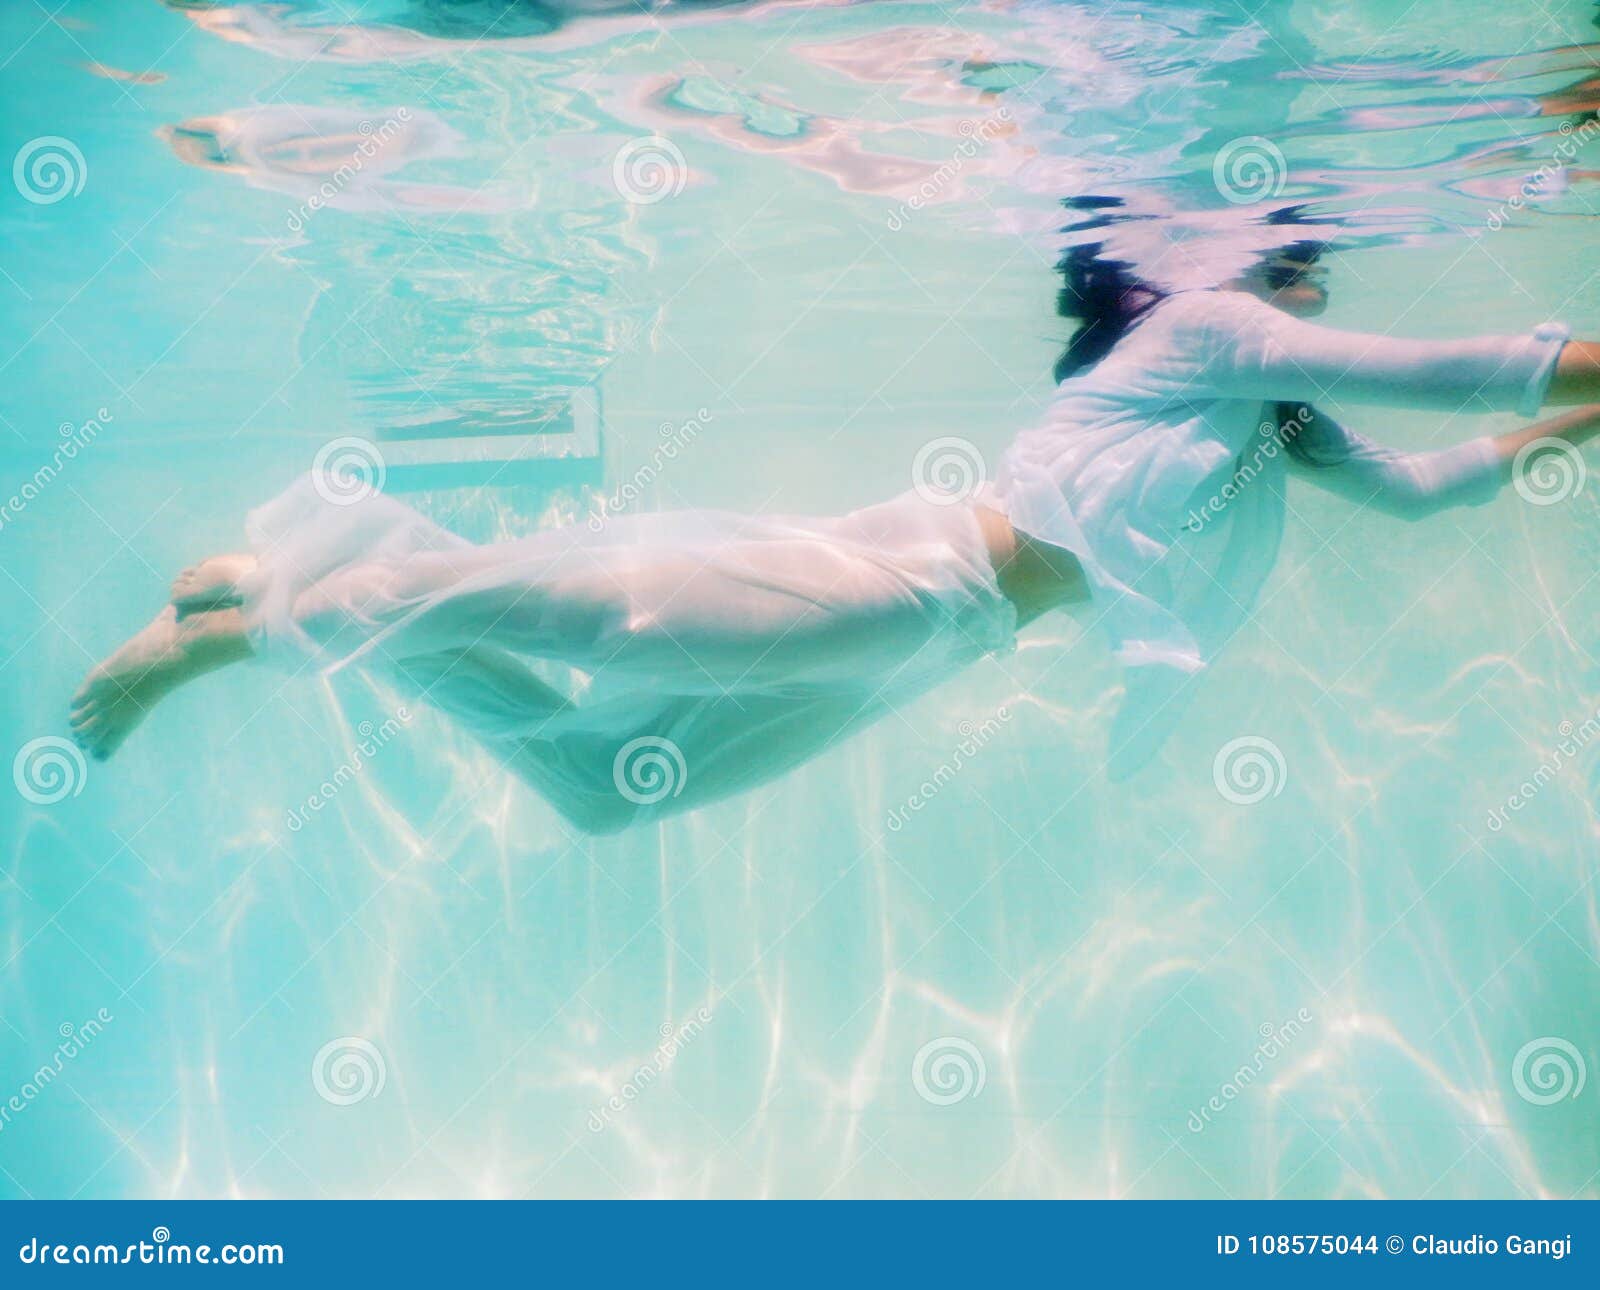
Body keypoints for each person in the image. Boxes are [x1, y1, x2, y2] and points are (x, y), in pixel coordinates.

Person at [69, 237, 1600, 831]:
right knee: (599, 624)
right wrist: (1563, 380)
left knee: (607, 785)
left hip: (954, 636)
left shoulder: (1275, 423)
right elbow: (1467, 364)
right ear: (1230, 263)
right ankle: (237, 634)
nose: (1320, 282)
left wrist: (1566, 432)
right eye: (1300, 257)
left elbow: (1426, 480)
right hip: (920, 576)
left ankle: (298, 584)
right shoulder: (1215, 334)